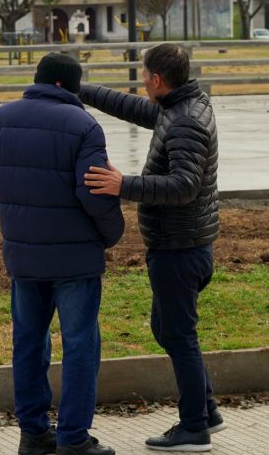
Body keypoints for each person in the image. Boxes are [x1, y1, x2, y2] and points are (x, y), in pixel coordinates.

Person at [0, 52, 124, 455]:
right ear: (69, 86)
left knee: (29, 343)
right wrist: (112, 233)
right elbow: (94, 190)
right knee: (80, 345)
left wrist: (17, 193)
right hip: (75, 258)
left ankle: (33, 434)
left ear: (39, 80)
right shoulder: (85, 126)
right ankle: (73, 438)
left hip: (23, 254)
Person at [82, 43, 222, 453]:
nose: (142, 81)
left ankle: (195, 426)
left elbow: (184, 185)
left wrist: (123, 185)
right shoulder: (180, 106)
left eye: (144, 75)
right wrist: (82, 89)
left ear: (157, 80)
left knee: (177, 334)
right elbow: (134, 109)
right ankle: (206, 410)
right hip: (182, 244)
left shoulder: (184, 123)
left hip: (180, 248)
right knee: (171, 330)